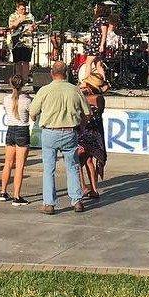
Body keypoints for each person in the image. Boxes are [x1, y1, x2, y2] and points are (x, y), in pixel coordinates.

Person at [28, 61, 91, 214]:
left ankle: (49, 203)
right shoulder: (75, 90)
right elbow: (87, 114)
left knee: (49, 169)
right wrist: (81, 126)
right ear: (67, 73)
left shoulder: (45, 90)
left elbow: (32, 112)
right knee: (73, 167)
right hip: (70, 131)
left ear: (51, 73)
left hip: (50, 131)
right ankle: (77, 200)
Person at [0, 75, 33, 205]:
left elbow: (7, 111)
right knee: (19, 166)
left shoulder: (6, 99)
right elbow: (33, 116)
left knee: (7, 163)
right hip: (22, 130)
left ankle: (3, 191)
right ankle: (17, 196)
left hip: (10, 129)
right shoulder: (26, 100)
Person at [77, 78, 107, 200]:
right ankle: (94, 190)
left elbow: (82, 100)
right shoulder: (100, 98)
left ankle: (83, 187)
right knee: (88, 161)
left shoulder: (94, 98)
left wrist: (79, 90)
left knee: (76, 162)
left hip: (86, 134)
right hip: (96, 134)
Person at [7, 0, 37, 84]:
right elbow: (11, 26)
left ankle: (25, 79)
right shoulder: (13, 16)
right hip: (16, 41)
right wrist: (20, 19)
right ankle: (18, 80)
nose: (23, 11)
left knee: (26, 61)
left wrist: (33, 28)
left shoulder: (30, 16)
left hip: (27, 41)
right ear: (17, 8)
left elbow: (33, 25)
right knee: (18, 61)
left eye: (24, 9)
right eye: (21, 9)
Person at [83, 4, 111, 80]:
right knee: (98, 65)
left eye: (95, 8)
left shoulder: (103, 20)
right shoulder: (98, 20)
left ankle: (86, 81)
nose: (94, 9)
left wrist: (102, 45)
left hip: (97, 44)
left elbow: (104, 33)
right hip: (94, 43)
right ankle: (104, 82)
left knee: (88, 63)